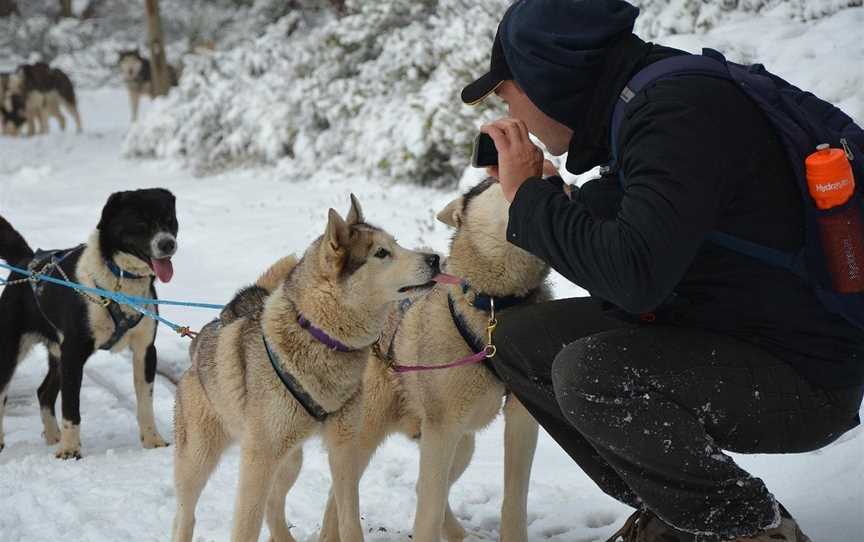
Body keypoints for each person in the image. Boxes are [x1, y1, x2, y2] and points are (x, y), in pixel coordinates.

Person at [461, 0, 864, 540]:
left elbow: (634, 275)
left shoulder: (677, 113)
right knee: (520, 338)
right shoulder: (644, 107)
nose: (507, 107)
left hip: (805, 374)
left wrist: (529, 197)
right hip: (735, 331)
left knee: (593, 373)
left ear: (545, 76)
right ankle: (677, 512)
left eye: (506, 90)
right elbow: (630, 242)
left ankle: (747, 527)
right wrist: (545, 195)